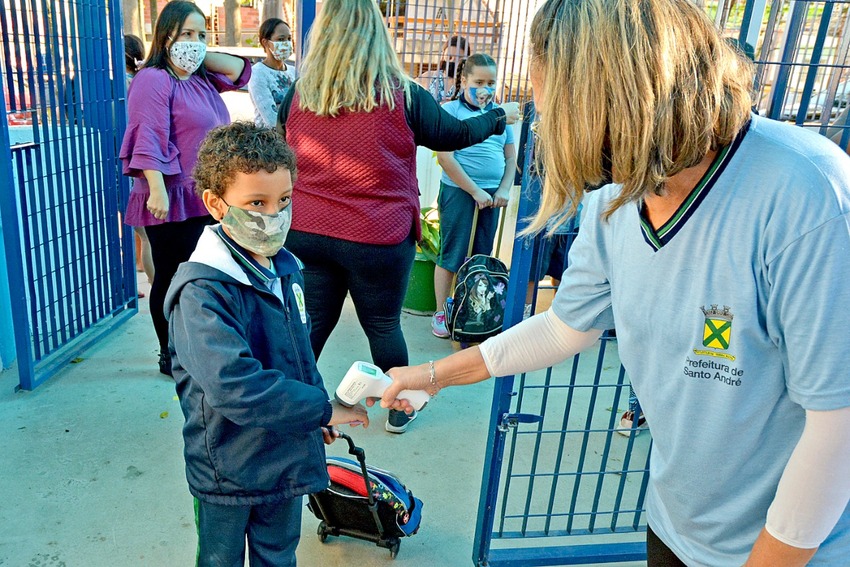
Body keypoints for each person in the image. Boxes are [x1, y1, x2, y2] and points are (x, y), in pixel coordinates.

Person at [378, 0, 850, 565]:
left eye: (559, 105)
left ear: (623, 96)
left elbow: (837, 424)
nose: (549, 126)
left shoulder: (807, 194)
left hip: (790, 549)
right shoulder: (618, 192)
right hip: (677, 524)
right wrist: (434, 375)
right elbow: (564, 328)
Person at [276, 0, 519, 435]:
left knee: (311, 325)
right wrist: (501, 116)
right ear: (378, 34)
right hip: (377, 235)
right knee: (383, 325)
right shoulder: (402, 94)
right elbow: (456, 133)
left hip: (308, 230)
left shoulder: (301, 93)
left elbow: (284, 144)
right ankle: (398, 409)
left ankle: (291, 413)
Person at [165, 121, 369, 566]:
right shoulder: (201, 291)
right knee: (219, 559)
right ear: (216, 204)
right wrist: (321, 408)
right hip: (228, 467)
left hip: (285, 455)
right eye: (256, 202)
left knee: (278, 554)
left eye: (284, 201)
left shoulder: (285, 267)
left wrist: (313, 409)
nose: (273, 215)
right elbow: (234, 384)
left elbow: (298, 352)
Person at [119, 0, 251, 376]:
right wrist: (156, 189)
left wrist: (199, 52)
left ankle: (196, 347)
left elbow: (241, 70)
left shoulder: (198, 79)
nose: (195, 42)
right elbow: (148, 134)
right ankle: (170, 354)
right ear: (166, 36)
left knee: (198, 279)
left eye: (202, 34)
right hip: (170, 196)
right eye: (186, 35)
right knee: (172, 277)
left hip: (202, 197)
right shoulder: (153, 79)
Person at [431, 53, 516, 338]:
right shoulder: (451, 111)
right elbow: (445, 158)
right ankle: (443, 311)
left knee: (481, 254)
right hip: (460, 192)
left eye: (491, 82)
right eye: (479, 81)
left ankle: (474, 310)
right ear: (463, 80)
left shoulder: (501, 115)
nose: (485, 88)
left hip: (492, 196)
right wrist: (474, 190)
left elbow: (510, 157)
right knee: (452, 253)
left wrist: (503, 189)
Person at [123, 34, 155, 295]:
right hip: (144, 167)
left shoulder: (116, 86)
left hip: (130, 165)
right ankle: (159, 292)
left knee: (145, 235)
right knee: (147, 236)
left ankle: (149, 289)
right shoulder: (145, 82)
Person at [247, 18, 296, 128]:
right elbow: (271, 120)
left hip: (295, 137)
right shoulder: (258, 73)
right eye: (280, 39)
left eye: (289, 38)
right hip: (270, 140)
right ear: (266, 43)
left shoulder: (294, 72)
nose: (286, 43)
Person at [416, 35, 470, 103]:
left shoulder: (470, 82)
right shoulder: (429, 77)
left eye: (459, 58)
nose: (452, 61)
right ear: (443, 55)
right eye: (449, 57)